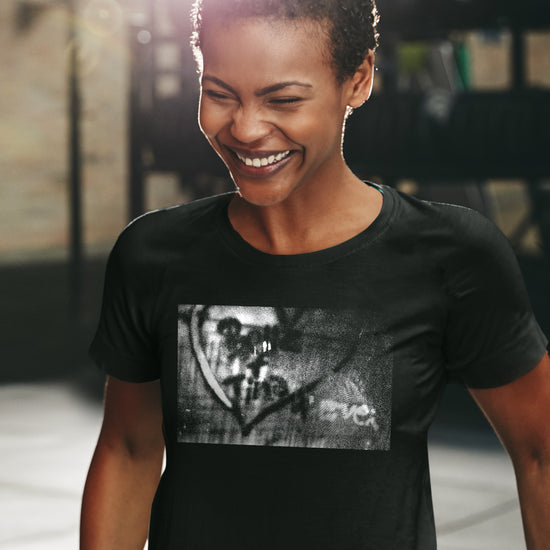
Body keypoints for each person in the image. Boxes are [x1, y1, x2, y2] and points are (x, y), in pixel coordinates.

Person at [80, 0, 550, 548]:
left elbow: (541, 454)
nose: (247, 128)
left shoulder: (452, 256)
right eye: (219, 94)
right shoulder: (152, 254)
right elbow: (130, 450)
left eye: (283, 99)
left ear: (359, 79)